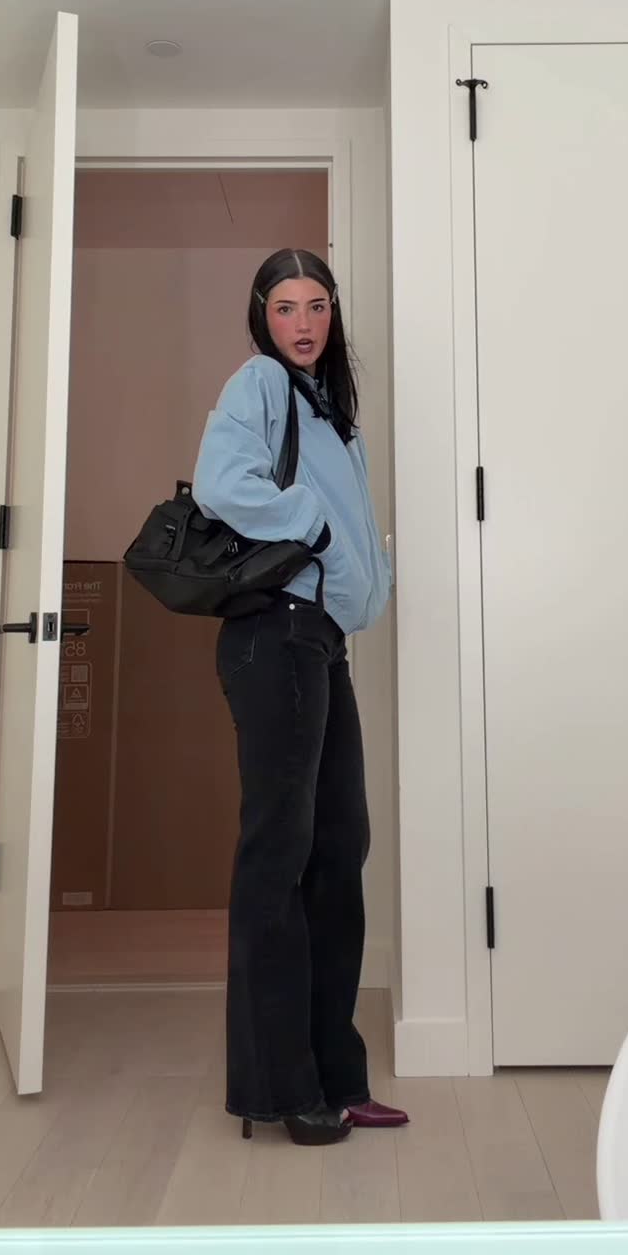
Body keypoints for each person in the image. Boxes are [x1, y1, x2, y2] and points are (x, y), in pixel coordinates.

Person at [194, 248, 408, 1146]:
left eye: (316, 305)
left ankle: (337, 1077)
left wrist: (364, 572)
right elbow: (222, 486)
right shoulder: (259, 383)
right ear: (262, 316)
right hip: (273, 635)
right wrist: (314, 527)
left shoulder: (327, 407)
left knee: (338, 850)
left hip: (318, 641)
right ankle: (280, 1089)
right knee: (279, 857)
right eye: (285, 307)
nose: (303, 323)